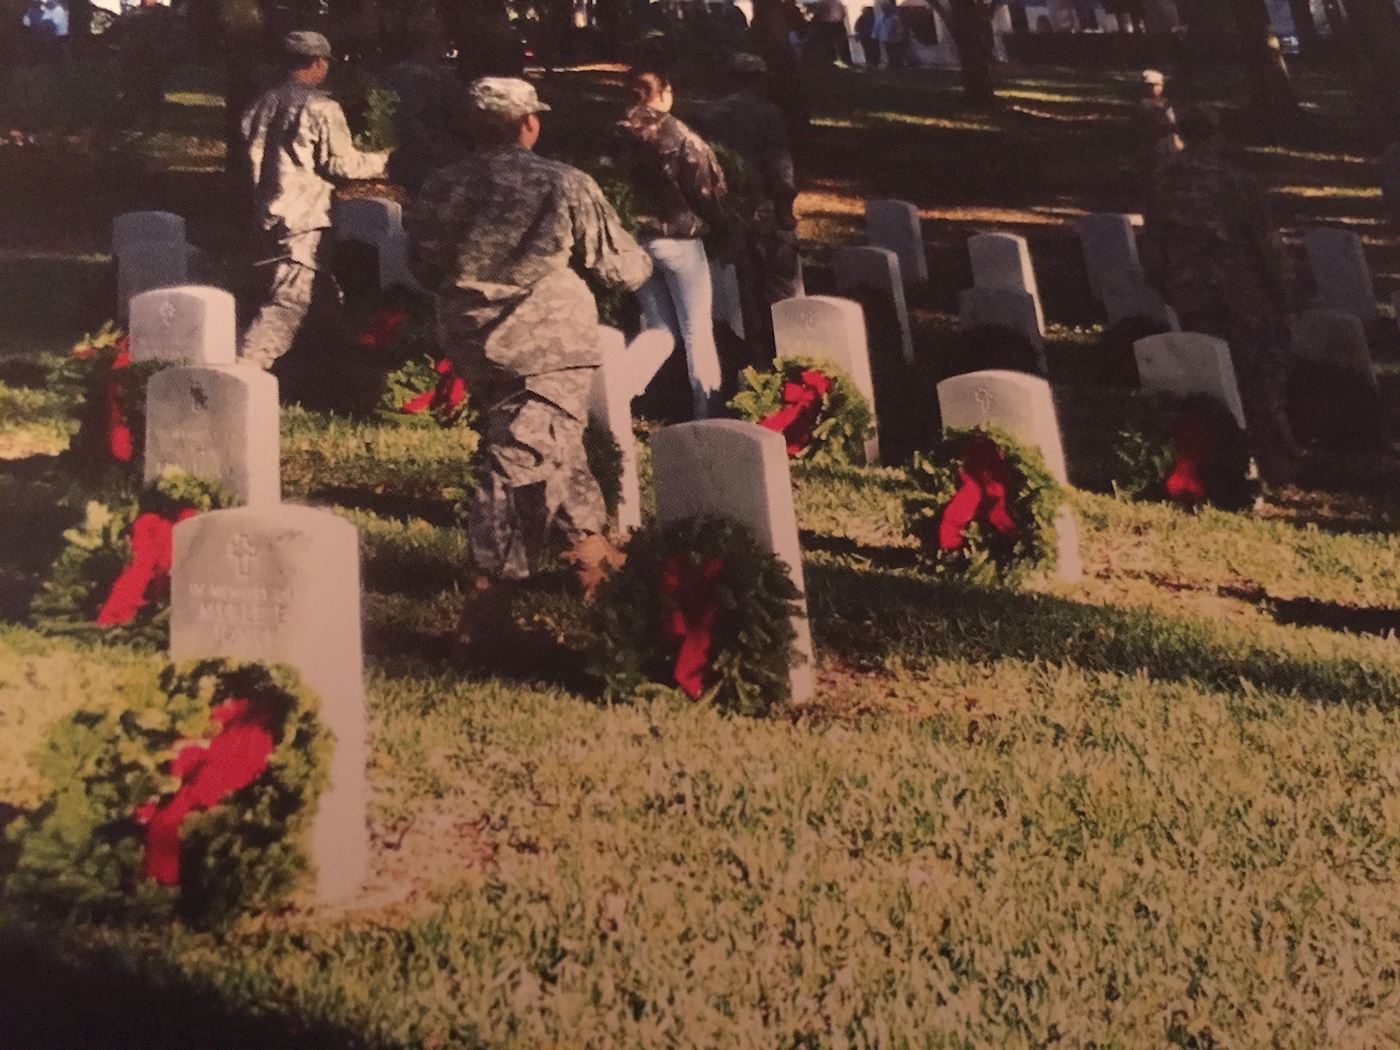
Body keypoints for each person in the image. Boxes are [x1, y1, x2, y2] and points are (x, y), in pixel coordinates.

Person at [406, 77, 652, 632]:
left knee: (553, 445)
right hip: (549, 342)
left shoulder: (440, 186)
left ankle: (590, 554)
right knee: (516, 461)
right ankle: (491, 589)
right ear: (528, 124)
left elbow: (423, 267)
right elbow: (619, 266)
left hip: (475, 341)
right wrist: (645, 260)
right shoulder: (563, 182)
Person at [1142, 106, 1301, 482]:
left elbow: (1153, 246)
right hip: (1243, 296)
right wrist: (1285, 293)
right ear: (1217, 135)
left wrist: (1165, 285)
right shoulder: (1236, 181)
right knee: (1259, 378)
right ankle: (1274, 462)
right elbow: (1266, 244)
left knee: (1207, 379)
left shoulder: (1162, 181)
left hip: (1189, 295)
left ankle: (1211, 456)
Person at [238, 31, 389, 370]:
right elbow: (339, 163)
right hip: (305, 215)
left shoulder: (262, 103)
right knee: (288, 301)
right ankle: (241, 372)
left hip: (266, 212)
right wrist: (383, 161)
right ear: (319, 63)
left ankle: (347, 365)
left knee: (322, 296)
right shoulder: (322, 106)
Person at [613, 68, 730, 419]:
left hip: (635, 241)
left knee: (662, 328)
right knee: (697, 330)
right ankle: (706, 409)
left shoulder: (614, 133)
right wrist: (723, 225)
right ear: (664, 93)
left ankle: (613, 392)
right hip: (679, 240)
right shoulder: (678, 135)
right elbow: (706, 190)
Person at [700, 52, 801, 344]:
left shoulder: (710, 115)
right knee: (776, 282)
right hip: (763, 206)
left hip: (725, 208)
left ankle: (748, 342)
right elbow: (779, 164)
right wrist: (786, 207)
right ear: (759, 79)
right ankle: (781, 343)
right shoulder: (768, 113)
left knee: (739, 282)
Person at [383, 18, 471, 195]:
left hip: (399, 159)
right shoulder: (443, 79)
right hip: (439, 161)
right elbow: (462, 119)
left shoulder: (391, 75)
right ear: (432, 40)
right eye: (444, 38)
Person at [108, 0, 177, 128]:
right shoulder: (166, 14)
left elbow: (115, 33)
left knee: (142, 86)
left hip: (145, 59)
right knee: (146, 86)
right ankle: (145, 115)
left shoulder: (134, 15)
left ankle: (142, 116)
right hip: (147, 60)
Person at [1137, 69, 1182, 171]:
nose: (1155, 88)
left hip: (1167, 141)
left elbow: (1172, 121)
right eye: (1151, 86)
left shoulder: (1165, 102)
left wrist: (1176, 138)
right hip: (1152, 142)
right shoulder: (1143, 103)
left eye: (1158, 85)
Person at [872, 0, 909, 68]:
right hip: (885, 39)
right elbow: (877, 28)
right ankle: (891, 63)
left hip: (894, 38)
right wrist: (876, 36)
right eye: (884, 9)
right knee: (888, 52)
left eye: (886, 9)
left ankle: (897, 63)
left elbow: (899, 28)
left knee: (895, 51)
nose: (884, 10)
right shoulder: (880, 19)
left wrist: (898, 32)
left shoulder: (894, 18)